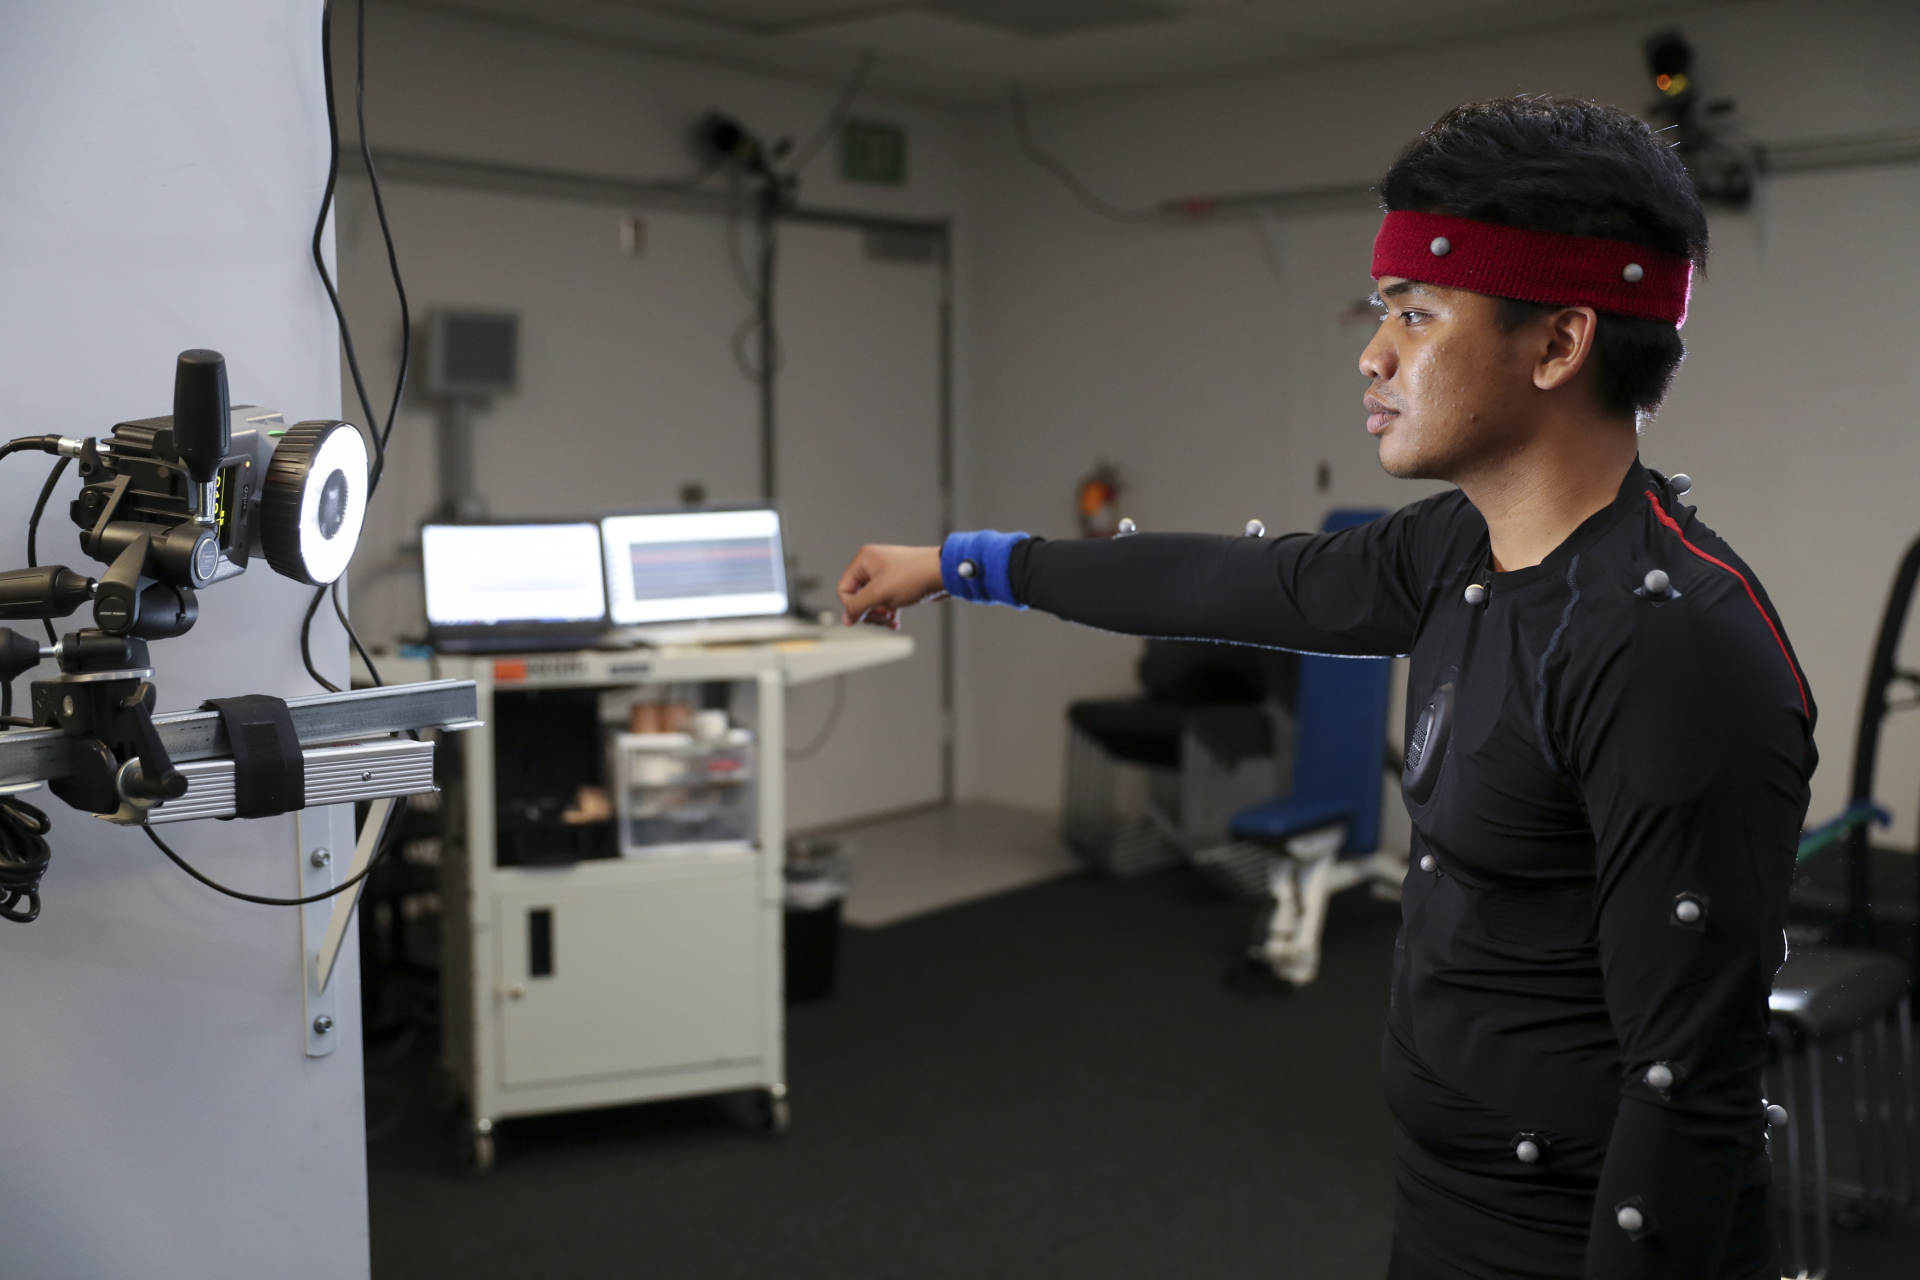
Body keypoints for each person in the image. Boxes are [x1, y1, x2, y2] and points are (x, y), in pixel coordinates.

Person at [835, 97, 1814, 1279]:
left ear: (1559, 345)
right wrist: (964, 563)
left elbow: (1688, 1086)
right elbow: (1230, 580)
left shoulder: (1670, 645)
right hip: (1447, 1194)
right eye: (1381, 311)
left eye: (1416, 313)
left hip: (1571, 1234)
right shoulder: (1457, 549)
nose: (1374, 352)